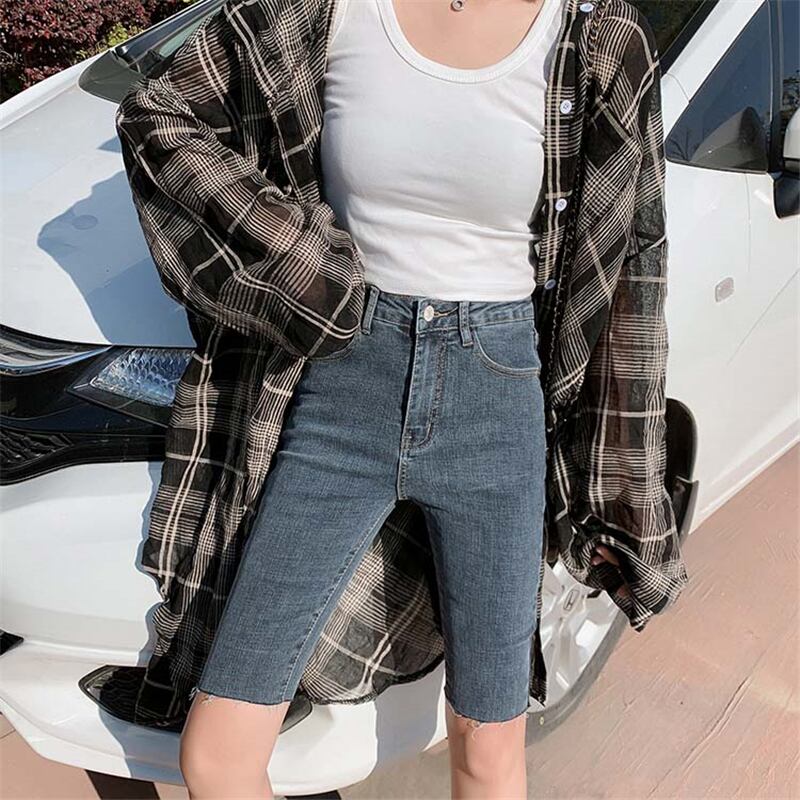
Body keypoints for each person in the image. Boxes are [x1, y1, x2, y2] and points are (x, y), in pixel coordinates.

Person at [114, 0, 689, 795]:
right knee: (215, 753)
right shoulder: (322, 8)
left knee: (487, 751)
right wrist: (306, 268)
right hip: (344, 388)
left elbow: (636, 260)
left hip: (496, 403)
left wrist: (620, 483)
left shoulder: (597, 34)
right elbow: (160, 116)